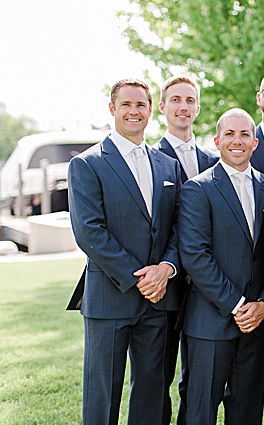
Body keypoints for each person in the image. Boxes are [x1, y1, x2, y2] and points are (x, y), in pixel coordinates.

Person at [69, 79, 182, 425]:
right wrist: (139, 278)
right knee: (103, 394)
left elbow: (179, 227)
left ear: (151, 110)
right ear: (112, 109)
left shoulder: (167, 165)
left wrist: (166, 267)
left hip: (158, 299)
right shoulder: (87, 164)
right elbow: (89, 232)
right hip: (110, 297)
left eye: (141, 105)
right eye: (126, 105)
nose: (134, 112)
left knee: (151, 391)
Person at [178, 108, 264, 424]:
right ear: (217, 141)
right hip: (211, 321)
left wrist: (263, 303)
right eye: (230, 134)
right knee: (200, 410)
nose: (237, 141)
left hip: (257, 323)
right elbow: (195, 255)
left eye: (245, 134)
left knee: (247, 411)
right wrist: (236, 304)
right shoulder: (198, 188)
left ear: (255, 142)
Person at [154, 74, 218, 423]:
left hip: (204, 290)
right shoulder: (150, 158)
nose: (183, 106)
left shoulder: (213, 160)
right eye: (176, 99)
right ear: (163, 107)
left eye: (190, 100)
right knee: (157, 377)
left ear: (197, 106)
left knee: (197, 380)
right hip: (163, 286)